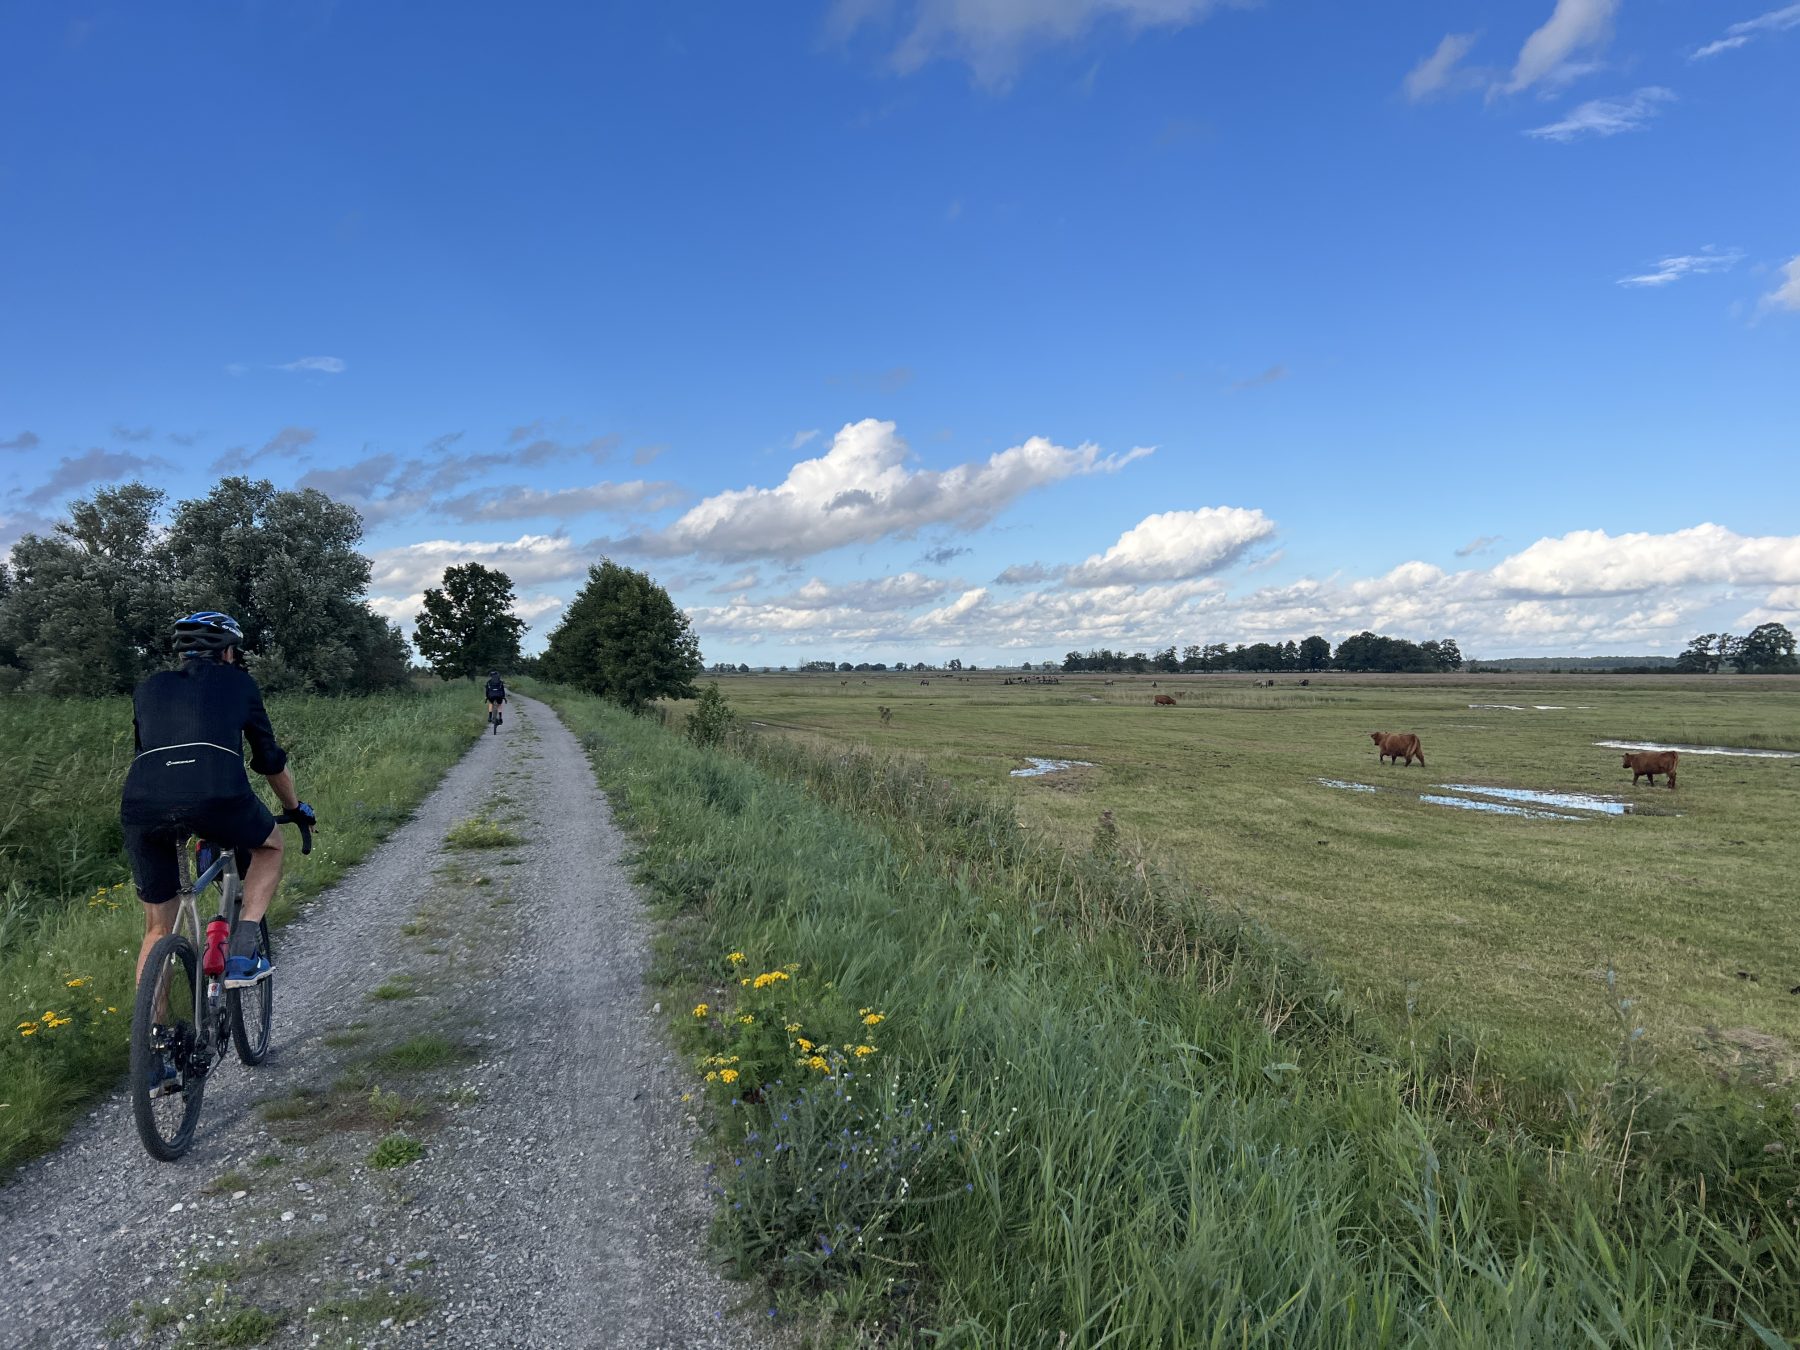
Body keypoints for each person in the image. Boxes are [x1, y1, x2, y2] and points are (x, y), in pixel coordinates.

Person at [120, 612, 316, 998]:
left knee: (158, 929)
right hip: (216, 794)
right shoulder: (239, 683)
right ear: (228, 652)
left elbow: (145, 749)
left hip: (143, 801)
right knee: (270, 845)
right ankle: (243, 952)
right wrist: (293, 808)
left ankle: (149, 1051)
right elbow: (269, 760)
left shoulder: (148, 688)